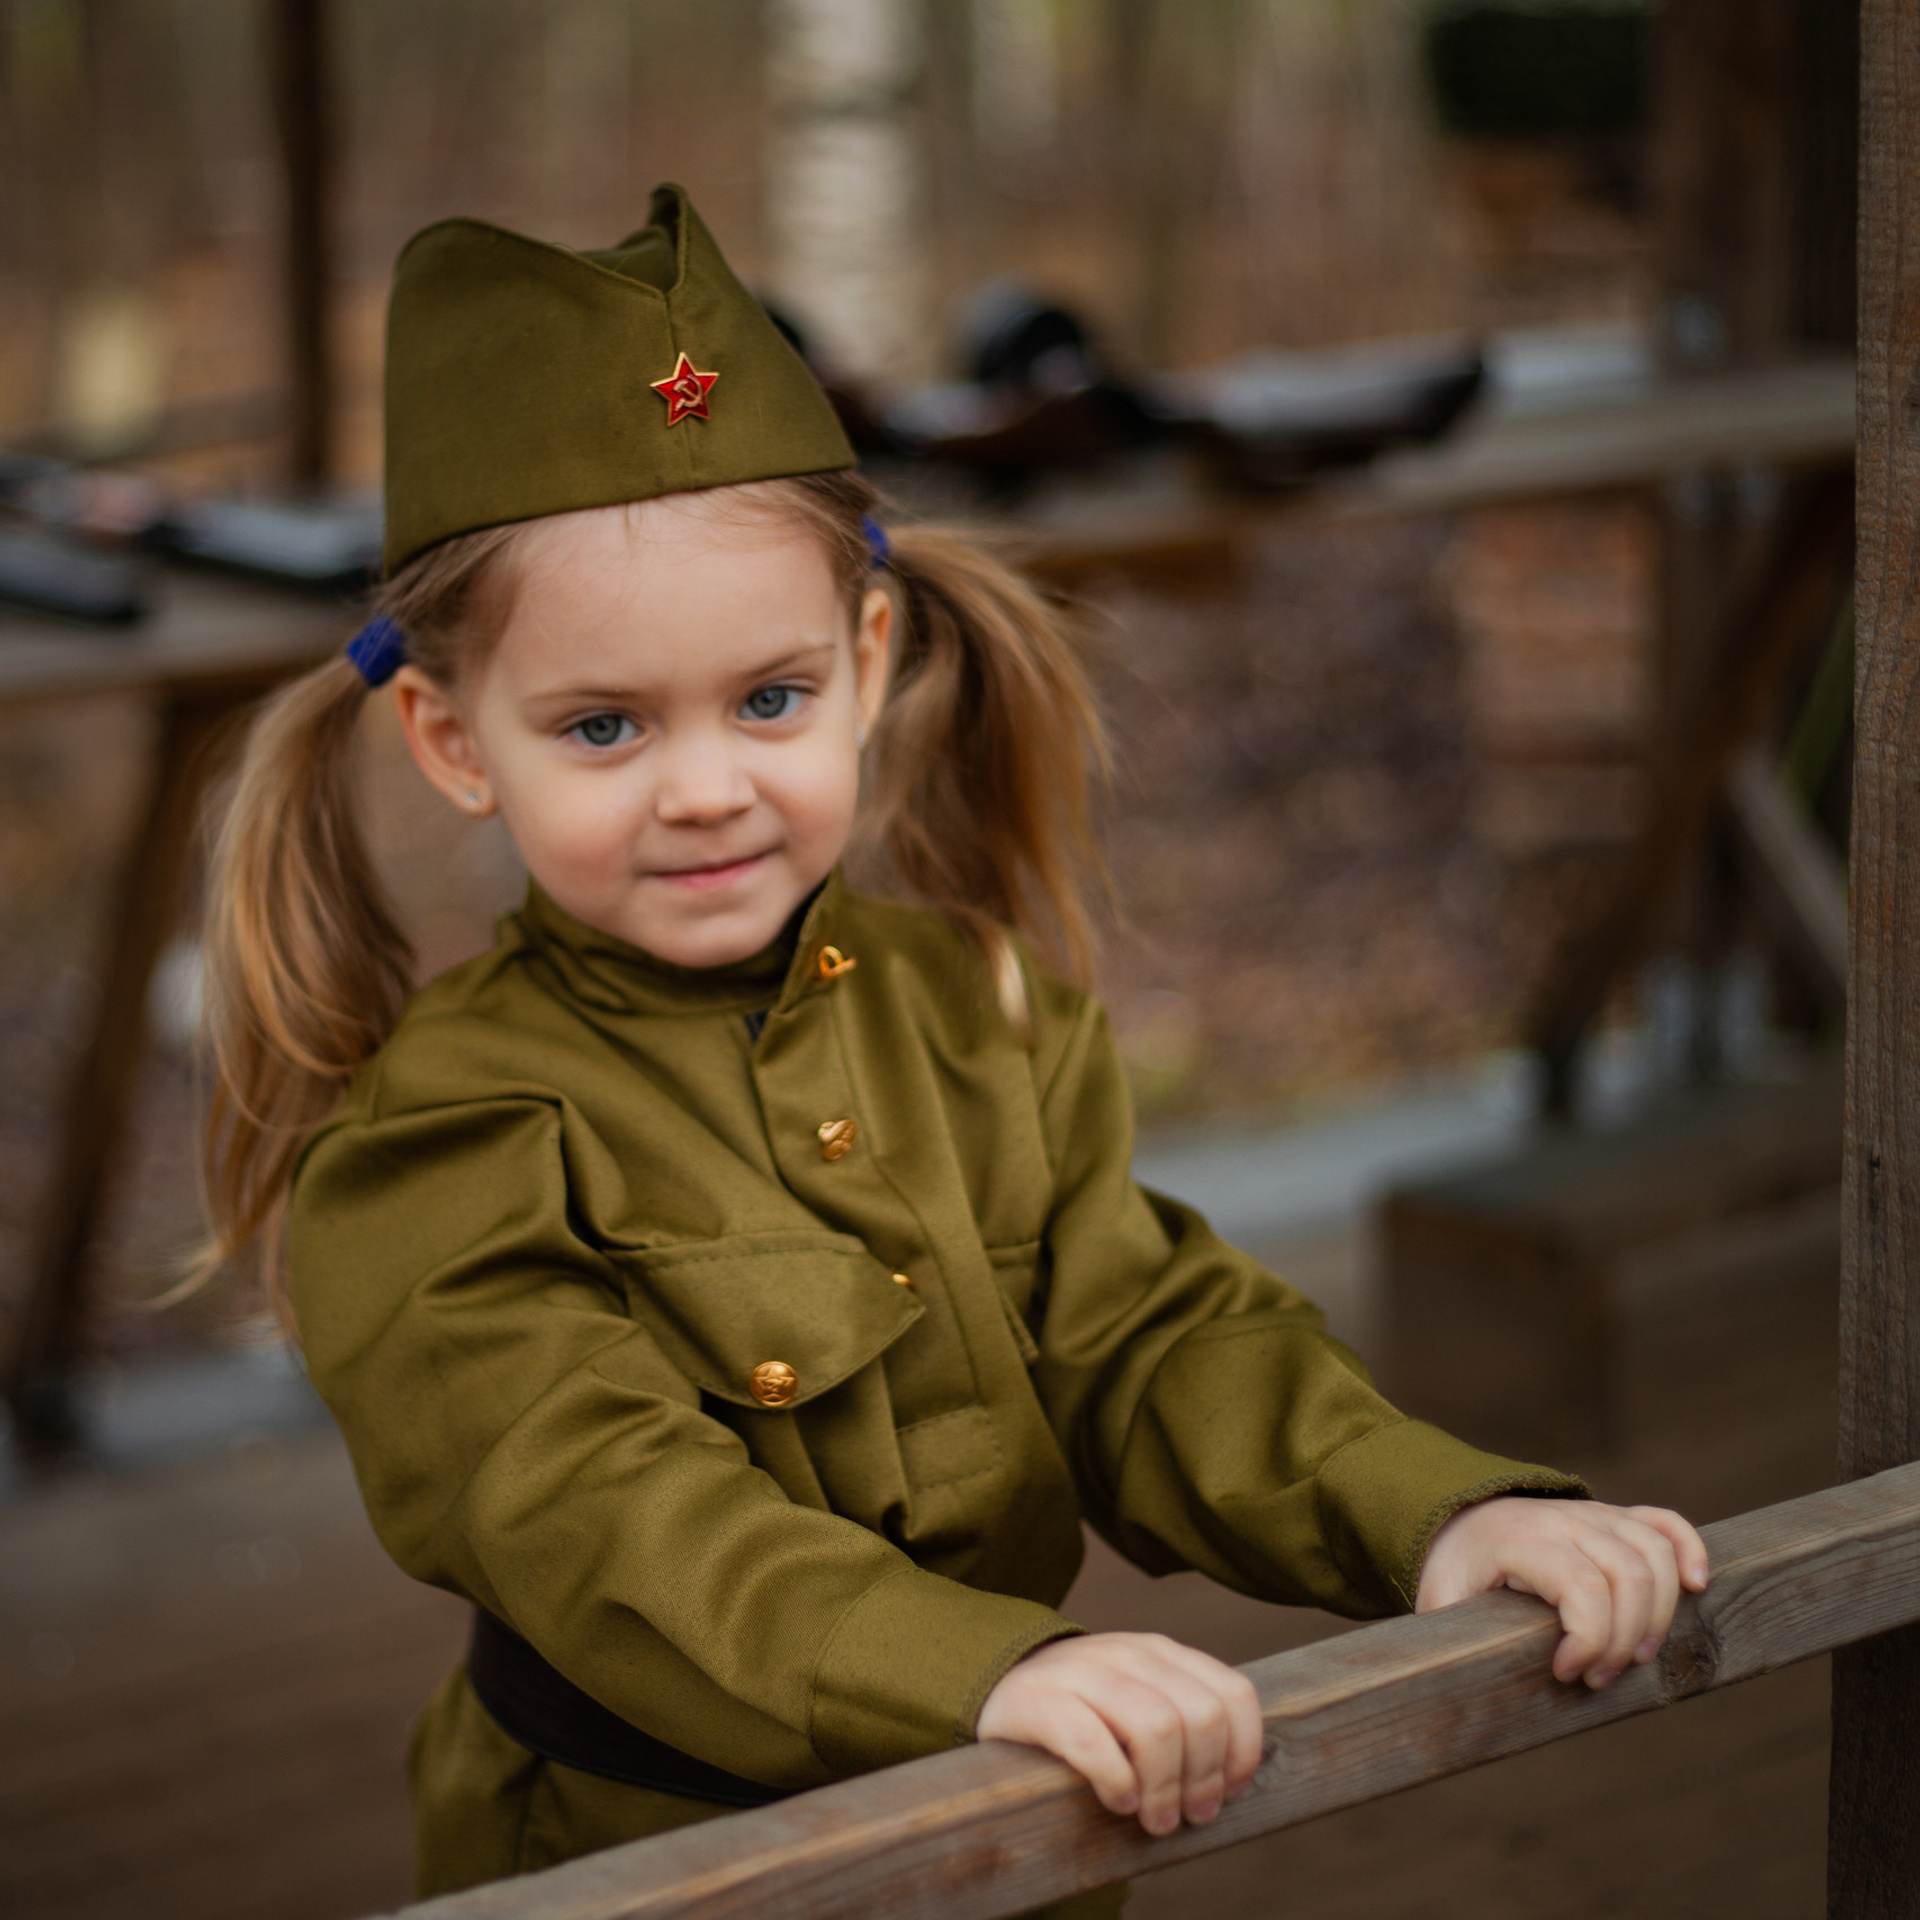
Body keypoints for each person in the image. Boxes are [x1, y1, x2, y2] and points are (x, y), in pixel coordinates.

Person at [198, 186, 1707, 1912]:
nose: (704, 786)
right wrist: (975, 1674)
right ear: (455, 743)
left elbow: (1150, 1343)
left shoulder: (976, 1016)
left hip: (1022, 1847)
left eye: (767, 700)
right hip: (670, 1869)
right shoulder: (444, 1143)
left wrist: (1438, 1520)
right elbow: (604, 1513)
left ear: (865, 659)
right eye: (602, 726)